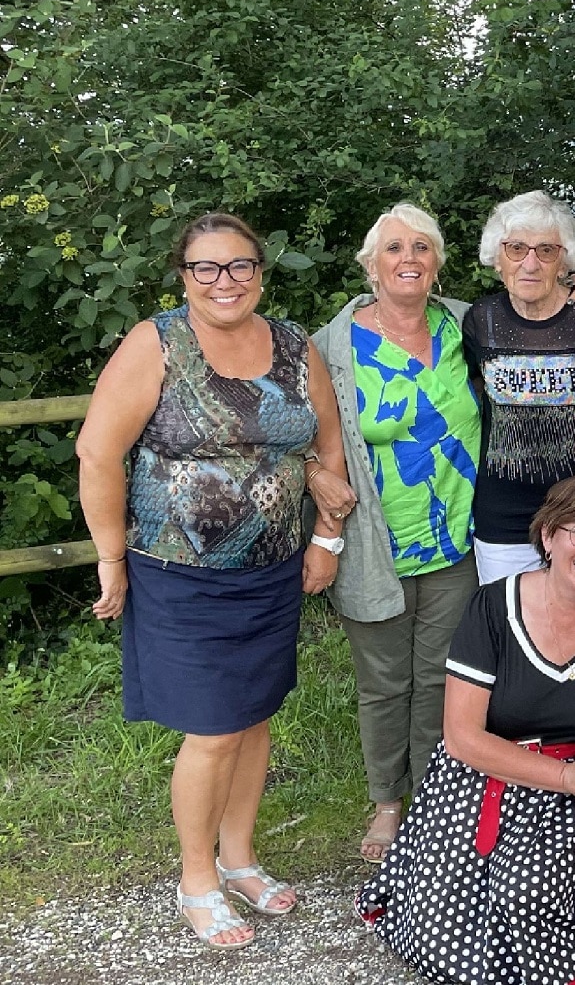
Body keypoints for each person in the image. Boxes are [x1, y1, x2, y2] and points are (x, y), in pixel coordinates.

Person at [76, 213, 348, 949]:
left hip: (274, 568)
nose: (225, 281)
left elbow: (326, 444)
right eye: (207, 268)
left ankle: (239, 860)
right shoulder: (156, 344)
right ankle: (196, 878)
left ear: (261, 271)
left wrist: (326, 538)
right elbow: (98, 453)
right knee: (214, 728)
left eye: (239, 266)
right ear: (184, 276)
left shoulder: (294, 345)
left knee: (255, 713)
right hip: (181, 573)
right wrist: (110, 558)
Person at [356, 475, 575, 985]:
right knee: (443, 934)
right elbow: (463, 737)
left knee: (523, 895)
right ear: (549, 535)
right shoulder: (491, 606)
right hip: (481, 772)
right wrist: (563, 778)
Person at [311, 203, 481, 865]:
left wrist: (574, 290)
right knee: (384, 681)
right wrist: (312, 482)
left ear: (438, 261)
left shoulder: (470, 325)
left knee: (443, 677)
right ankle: (387, 802)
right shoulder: (330, 345)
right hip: (372, 545)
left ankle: (437, 799)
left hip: (458, 542)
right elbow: (296, 429)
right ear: (369, 264)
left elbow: (542, 323)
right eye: (393, 248)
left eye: (421, 247)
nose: (407, 258)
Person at [464, 191, 575, 585]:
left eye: (546, 250)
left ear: (565, 260)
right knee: (509, 627)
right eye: (516, 248)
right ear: (497, 257)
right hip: (501, 517)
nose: (530, 263)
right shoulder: (479, 320)